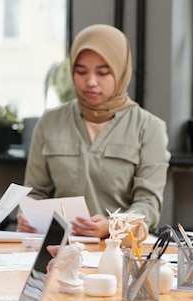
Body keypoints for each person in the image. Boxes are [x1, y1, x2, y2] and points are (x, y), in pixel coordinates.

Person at [17, 24, 170, 238]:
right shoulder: (51, 122)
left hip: (119, 250)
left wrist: (113, 225)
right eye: (81, 72)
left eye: (103, 73)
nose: (90, 82)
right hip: (59, 246)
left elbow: (148, 204)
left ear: (121, 71)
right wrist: (27, 217)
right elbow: (35, 191)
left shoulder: (149, 127)